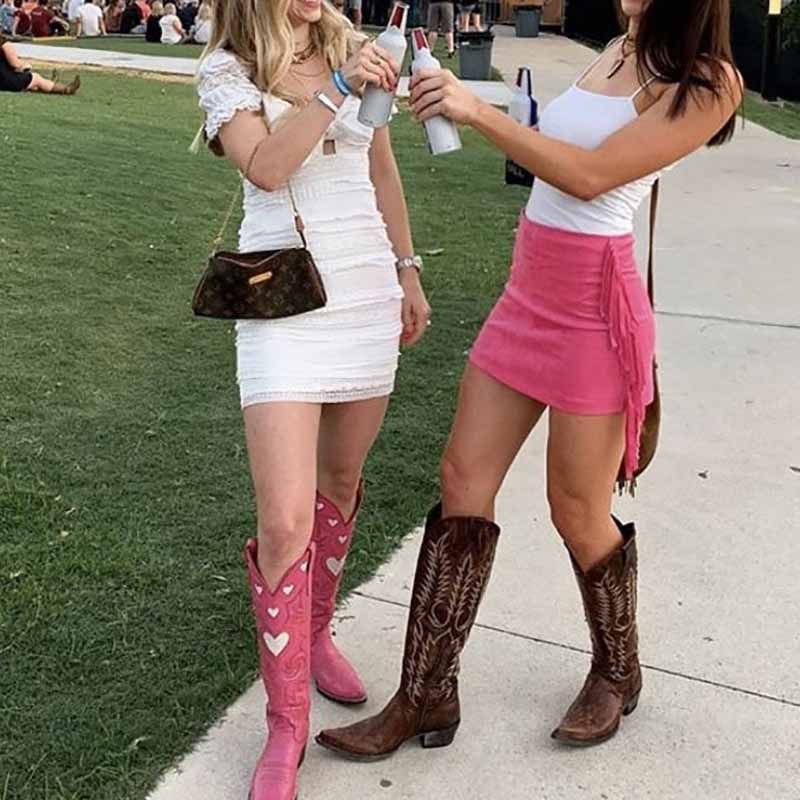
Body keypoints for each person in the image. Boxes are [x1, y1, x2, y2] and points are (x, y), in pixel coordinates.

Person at [317, 0, 742, 759]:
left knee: (576, 508)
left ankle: (618, 670)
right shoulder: (615, 46)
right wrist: (470, 103)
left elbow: (586, 176)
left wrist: (476, 111)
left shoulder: (707, 82)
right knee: (461, 477)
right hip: (531, 285)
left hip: (593, 305)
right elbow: (554, 151)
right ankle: (426, 693)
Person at [195, 0, 429, 792]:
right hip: (281, 303)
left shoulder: (357, 47)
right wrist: (333, 86)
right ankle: (286, 722)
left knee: (339, 485)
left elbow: (381, 168)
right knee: (284, 516)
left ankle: (317, 629)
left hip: (363, 290)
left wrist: (407, 269)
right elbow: (265, 166)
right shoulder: (227, 68)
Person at [0, 32, 79, 90]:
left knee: (31, 80)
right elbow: (15, 64)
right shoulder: (5, 45)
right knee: (36, 78)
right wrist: (25, 64)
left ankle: (49, 83)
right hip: (5, 81)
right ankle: (64, 89)